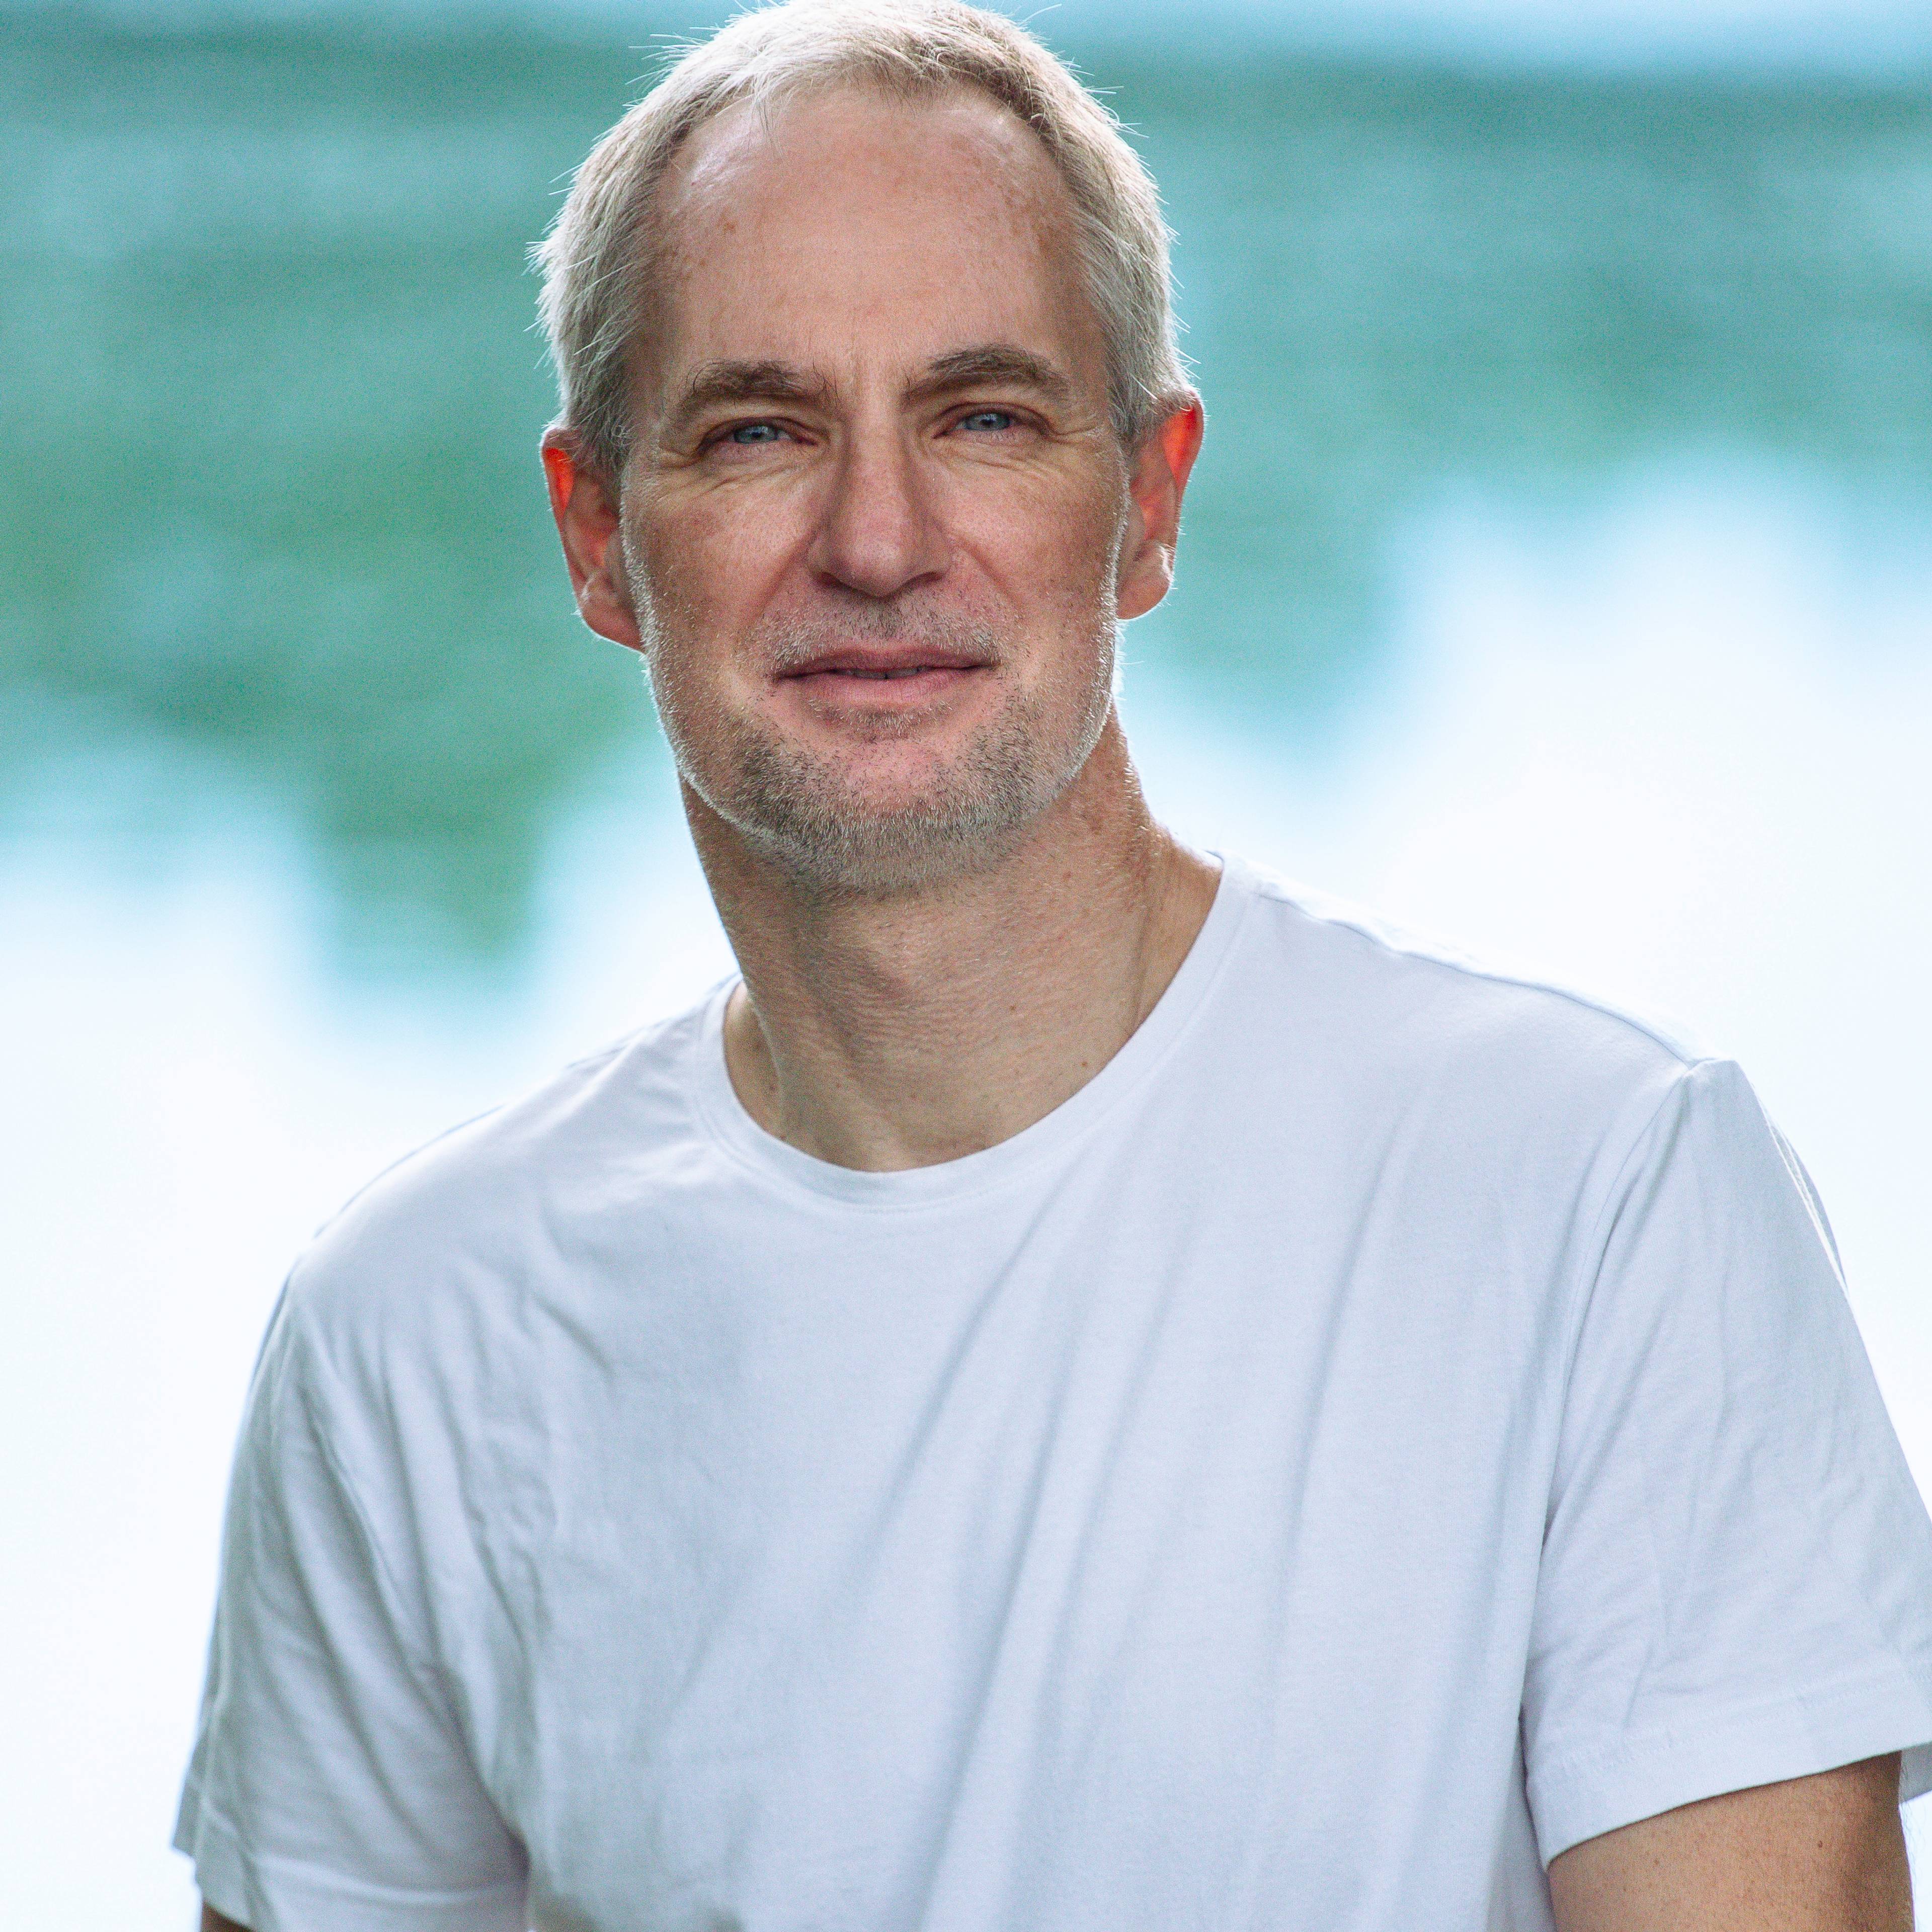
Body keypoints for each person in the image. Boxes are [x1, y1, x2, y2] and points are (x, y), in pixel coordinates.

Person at [177, 3, 1932, 1927]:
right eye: (760, 431)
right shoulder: (410, 1333)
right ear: (598, 538)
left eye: (984, 418)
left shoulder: (1603, 1205)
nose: (876, 540)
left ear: (1150, 501)